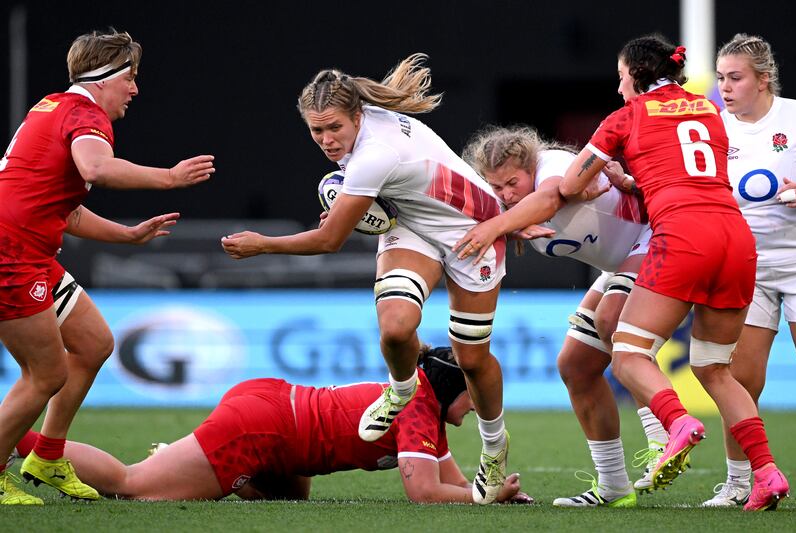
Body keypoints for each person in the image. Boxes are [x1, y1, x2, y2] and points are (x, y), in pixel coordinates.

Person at [221, 54, 519, 503]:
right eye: (316, 130)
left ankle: (495, 447)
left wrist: (262, 244)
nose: (325, 139)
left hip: (471, 230)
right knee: (397, 328)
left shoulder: (374, 156)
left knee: (472, 360)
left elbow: (328, 241)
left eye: (334, 128)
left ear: (358, 116)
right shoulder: (365, 130)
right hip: (411, 226)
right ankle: (400, 391)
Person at [557, 33, 789, 512]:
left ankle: (677, 423)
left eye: (621, 77)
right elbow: (691, 171)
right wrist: (642, 179)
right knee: (716, 370)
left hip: (683, 239)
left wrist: (617, 174)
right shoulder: (709, 111)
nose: (618, 86)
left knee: (627, 354)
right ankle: (766, 473)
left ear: (636, 76)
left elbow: (569, 183)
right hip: (737, 239)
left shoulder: (625, 116)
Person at [0, 29, 215, 505]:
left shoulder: (54, 106)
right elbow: (96, 168)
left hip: (28, 253)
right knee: (45, 375)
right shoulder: (85, 114)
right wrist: (170, 178)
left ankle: (49, 457)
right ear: (107, 77)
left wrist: (127, 234)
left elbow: (65, 210)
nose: (135, 90)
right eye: (132, 77)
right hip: (10, 258)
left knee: (95, 343)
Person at [9, 346, 532, 504]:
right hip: (263, 428)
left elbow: (458, 486)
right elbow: (424, 494)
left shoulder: (423, 406)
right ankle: (13, 443)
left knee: (286, 506)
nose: (482, 402)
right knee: (132, 487)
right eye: (476, 391)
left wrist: (496, 494)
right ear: (448, 388)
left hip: (277, 419)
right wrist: (480, 500)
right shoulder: (418, 407)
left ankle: (191, 461)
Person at [455, 125, 650, 508]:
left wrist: (499, 225)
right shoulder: (506, 207)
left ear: (530, 164)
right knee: (575, 365)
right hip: (621, 263)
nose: (507, 194)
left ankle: (661, 437)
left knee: (611, 319)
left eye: (513, 182)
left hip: (656, 237)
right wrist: (507, 221)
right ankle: (614, 486)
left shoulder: (554, 164)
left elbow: (550, 197)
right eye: (497, 188)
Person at [696, 33, 796, 507]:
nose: (726, 87)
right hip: (747, 266)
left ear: (763, 79)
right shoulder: (714, 128)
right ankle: (740, 482)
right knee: (741, 379)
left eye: (735, 78)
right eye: (720, 78)